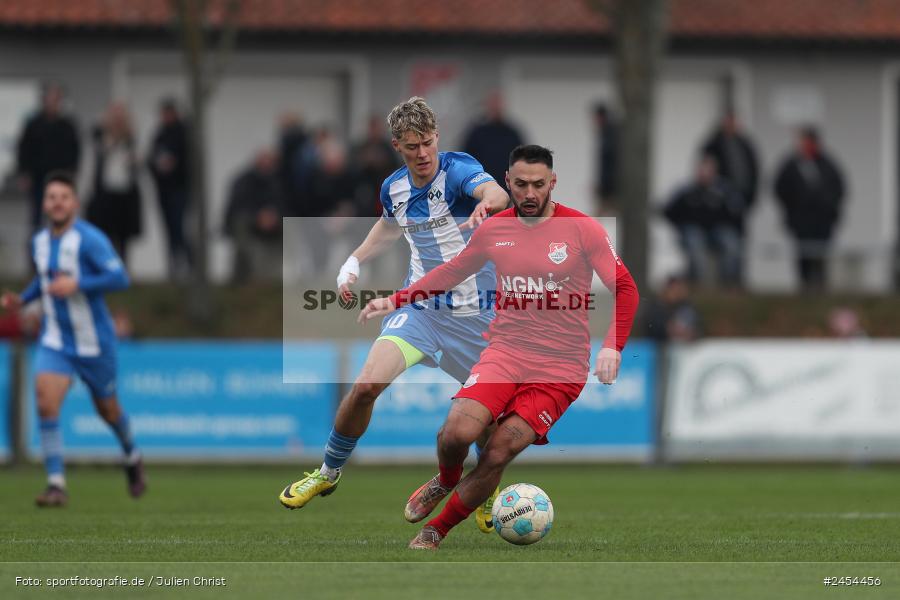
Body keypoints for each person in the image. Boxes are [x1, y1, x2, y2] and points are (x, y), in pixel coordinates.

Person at [359, 144, 639, 549]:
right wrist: (396, 299)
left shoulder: (583, 229)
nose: (530, 193)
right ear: (507, 182)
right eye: (521, 184)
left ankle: (436, 530)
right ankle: (447, 479)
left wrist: (613, 346)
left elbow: (626, 288)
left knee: (496, 452)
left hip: (559, 369)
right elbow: (452, 272)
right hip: (505, 353)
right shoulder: (494, 230)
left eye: (538, 184)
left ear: (553, 182)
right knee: (455, 435)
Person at [278, 97, 511, 534]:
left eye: (427, 142)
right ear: (396, 146)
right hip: (422, 312)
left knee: (484, 422)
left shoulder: (458, 169)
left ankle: (485, 487)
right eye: (412, 146)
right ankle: (327, 472)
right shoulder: (394, 187)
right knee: (366, 385)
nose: (422, 153)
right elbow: (389, 226)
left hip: (478, 318)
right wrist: (354, 260)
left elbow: (494, 191)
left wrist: (487, 203)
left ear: (437, 137)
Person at [0, 171, 144, 507]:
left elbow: (120, 277)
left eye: (64, 197)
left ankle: (132, 455)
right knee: (45, 401)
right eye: (52, 197)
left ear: (75, 203)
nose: (57, 203)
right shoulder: (39, 241)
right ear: (44, 203)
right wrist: (23, 299)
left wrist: (78, 283)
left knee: (108, 411)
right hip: (56, 340)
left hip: (94, 343)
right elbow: (44, 280)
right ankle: (56, 484)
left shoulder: (90, 239)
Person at [774, 127, 846, 290]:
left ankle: (820, 286)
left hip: (823, 220)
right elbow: (780, 189)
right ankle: (805, 286)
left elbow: (839, 188)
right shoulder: (791, 165)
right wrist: (793, 209)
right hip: (801, 221)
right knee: (803, 255)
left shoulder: (827, 164)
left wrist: (829, 207)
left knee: (821, 255)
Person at [663, 154, 744, 287]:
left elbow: (737, 213)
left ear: (715, 172)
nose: (705, 174)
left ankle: (729, 284)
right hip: (694, 232)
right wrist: (681, 227)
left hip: (719, 231)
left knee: (731, 244)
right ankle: (697, 284)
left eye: (709, 170)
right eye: (702, 170)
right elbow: (668, 210)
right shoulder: (687, 191)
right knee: (695, 242)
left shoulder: (725, 192)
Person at [16, 84, 81, 231]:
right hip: (38, 176)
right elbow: (24, 149)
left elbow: (74, 150)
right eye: (49, 99)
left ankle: (60, 239)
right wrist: (24, 172)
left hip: (60, 176)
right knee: (37, 213)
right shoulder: (33, 124)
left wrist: (73, 171)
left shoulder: (67, 126)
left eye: (55, 99)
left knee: (60, 210)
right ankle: (36, 242)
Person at [86, 102, 142, 266]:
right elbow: (94, 160)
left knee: (123, 236)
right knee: (105, 234)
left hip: (125, 192)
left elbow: (138, 162)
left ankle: (122, 268)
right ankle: (106, 267)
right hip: (106, 193)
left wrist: (134, 161)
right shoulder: (99, 136)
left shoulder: (131, 139)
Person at [223, 149, 284, 284]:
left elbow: (285, 204)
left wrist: (274, 216)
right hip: (249, 226)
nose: (267, 165)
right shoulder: (243, 181)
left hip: (275, 228)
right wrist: (258, 216)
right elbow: (237, 208)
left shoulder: (279, 181)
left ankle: (270, 280)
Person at [148, 98, 191, 279]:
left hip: (180, 189)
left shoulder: (184, 134)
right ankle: (173, 267)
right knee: (169, 230)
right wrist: (158, 166)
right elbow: (151, 159)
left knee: (179, 228)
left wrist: (174, 165)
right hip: (163, 190)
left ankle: (189, 264)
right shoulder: (160, 134)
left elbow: (190, 163)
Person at [462, 91, 524, 188]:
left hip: (506, 186)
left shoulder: (512, 133)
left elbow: (522, 159)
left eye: (498, 104)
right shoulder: (477, 133)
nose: (496, 107)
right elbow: (466, 160)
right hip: (482, 186)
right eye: (493, 103)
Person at [593, 103, 619, 213]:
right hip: (609, 188)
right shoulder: (607, 134)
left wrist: (604, 187)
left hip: (610, 189)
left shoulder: (609, 136)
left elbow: (609, 164)